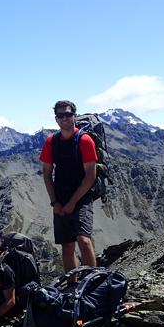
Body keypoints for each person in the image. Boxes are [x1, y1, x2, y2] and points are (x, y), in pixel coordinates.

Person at [40, 100, 97, 273]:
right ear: (56, 119)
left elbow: (90, 176)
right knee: (67, 245)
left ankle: (93, 283)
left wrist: (73, 202)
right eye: (60, 115)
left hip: (82, 196)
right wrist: (54, 202)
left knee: (84, 240)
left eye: (68, 114)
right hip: (60, 198)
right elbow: (47, 174)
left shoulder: (85, 141)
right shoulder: (51, 141)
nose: (64, 118)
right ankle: (72, 286)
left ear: (75, 116)